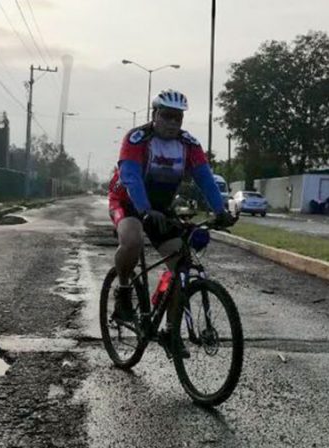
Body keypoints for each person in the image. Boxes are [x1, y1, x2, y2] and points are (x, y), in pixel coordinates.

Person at [107, 89, 235, 358]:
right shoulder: (137, 138)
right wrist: (143, 209)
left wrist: (221, 210)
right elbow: (129, 176)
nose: (172, 122)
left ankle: (170, 331)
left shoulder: (188, 145)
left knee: (181, 265)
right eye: (166, 116)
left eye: (178, 117)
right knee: (131, 239)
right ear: (154, 115)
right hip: (128, 202)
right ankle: (123, 290)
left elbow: (206, 179)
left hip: (161, 209)